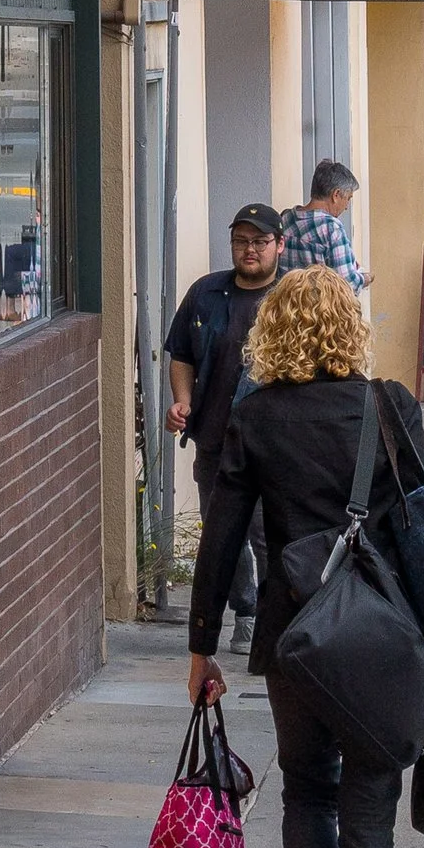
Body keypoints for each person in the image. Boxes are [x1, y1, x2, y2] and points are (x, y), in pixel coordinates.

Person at [188, 266, 424, 848]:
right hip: (380, 636)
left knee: (307, 792)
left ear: (272, 330)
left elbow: (221, 537)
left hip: (295, 639)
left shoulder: (257, 417)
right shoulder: (389, 407)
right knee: (369, 811)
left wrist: (202, 644)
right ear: (351, 327)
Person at [163, 200, 283, 648]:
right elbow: (182, 354)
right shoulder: (206, 293)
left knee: (269, 533)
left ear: (279, 245)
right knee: (222, 535)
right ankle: (246, 611)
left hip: (273, 444)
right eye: (240, 241)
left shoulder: (292, 297)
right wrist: (182, 402)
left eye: (259, 242)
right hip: (215, 439)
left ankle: (274, 616)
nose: (249, 250)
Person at [280, 157, 370, 298]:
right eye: (348, 198)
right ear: (336, 195)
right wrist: (366, 278)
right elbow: (347, 285)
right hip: (319, 313)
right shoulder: (331, 228)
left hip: (287, 309)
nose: (346, 206)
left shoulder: (286, 218)